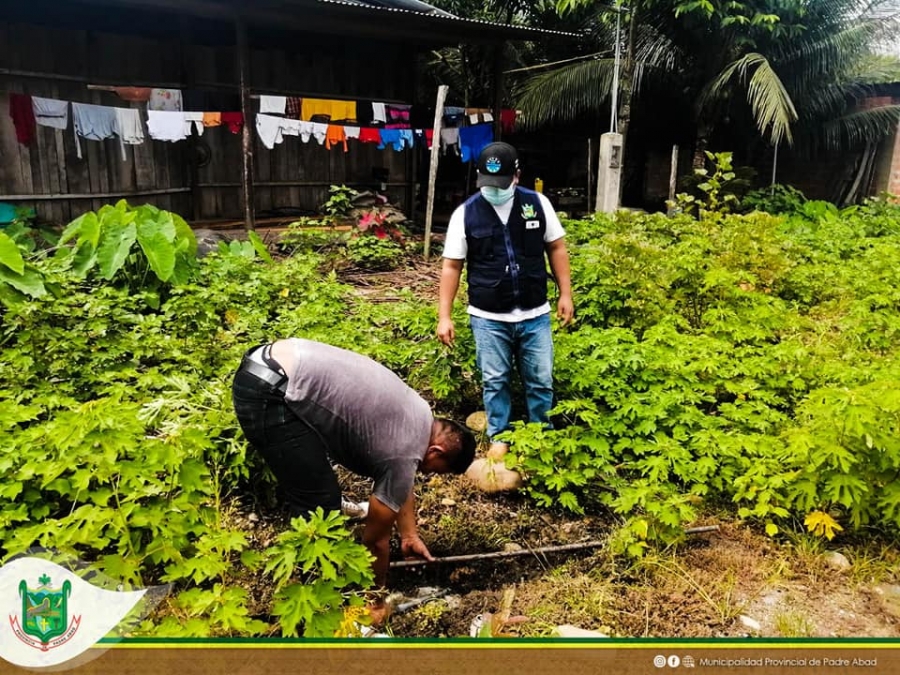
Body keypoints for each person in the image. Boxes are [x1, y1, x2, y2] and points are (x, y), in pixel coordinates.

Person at [231, 338, 476, 622]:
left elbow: (402, 476)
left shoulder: (420, 414)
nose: (425, 473)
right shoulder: (405, 453)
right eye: (434, 470)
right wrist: (375, 600)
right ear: (436, 451)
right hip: (268, 391)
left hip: (273, 362)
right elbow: (375, 541)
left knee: (322, 494)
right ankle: (312, 601)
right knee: (319, 505)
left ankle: (320, 581)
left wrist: (409, 535)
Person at [437, 142, 574, 460]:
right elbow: (451, 265)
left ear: (517, 176)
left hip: (535, 313)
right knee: (495, 379)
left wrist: (565, 293)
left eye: (501, 184)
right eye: (487, 183)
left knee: (540, 378)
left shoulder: (536, 204)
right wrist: (444, 315)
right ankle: (499, 434)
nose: (494, 191)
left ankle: (540, 431)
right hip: (488, 316)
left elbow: (557, 247)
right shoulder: (466, 213)